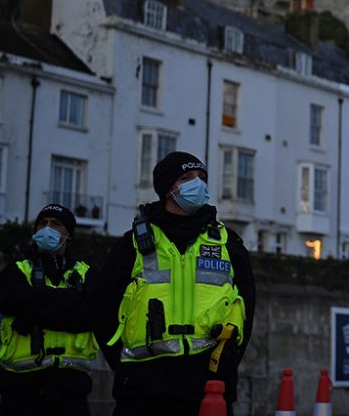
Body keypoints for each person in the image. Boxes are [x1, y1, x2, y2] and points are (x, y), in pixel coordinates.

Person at [93, 151, 255, 415]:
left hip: (208, 385)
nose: (198, 184)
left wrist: (227, 364)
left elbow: (247, 309)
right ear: (167, 188)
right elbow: (103, 309)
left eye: (202, 177)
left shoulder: (228, 242)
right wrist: (123, 368)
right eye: (187, 177)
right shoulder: (133, 243)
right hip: (143, 388)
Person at [0, 203, 97, 415]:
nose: (47, 228)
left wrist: (33, 312)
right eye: (43, 222)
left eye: (56, 223)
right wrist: (71, 302)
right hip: (20, 388)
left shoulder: (86, 273)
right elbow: (8, 301)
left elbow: (93, 312)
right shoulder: (18, 269)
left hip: (71, 389)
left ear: (69, 234)